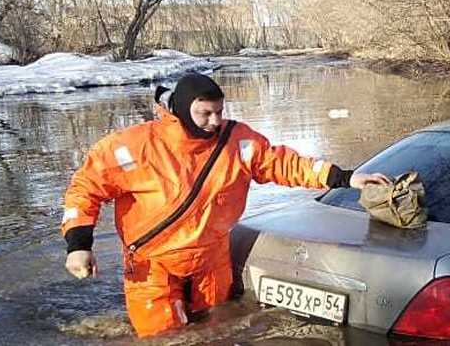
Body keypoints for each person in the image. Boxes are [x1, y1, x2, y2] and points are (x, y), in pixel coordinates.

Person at [59, 73, 389, 337]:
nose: (215, 121)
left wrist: (343, 178)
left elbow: (282, 163)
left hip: (211, 259)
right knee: (161, 338)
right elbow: (85, 189)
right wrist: (79, 245)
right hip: (152, 265)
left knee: (217, 332)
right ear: (183, 109)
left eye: (220, 111)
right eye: (205, 113)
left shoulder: (237, 142)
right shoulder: (133, 147)